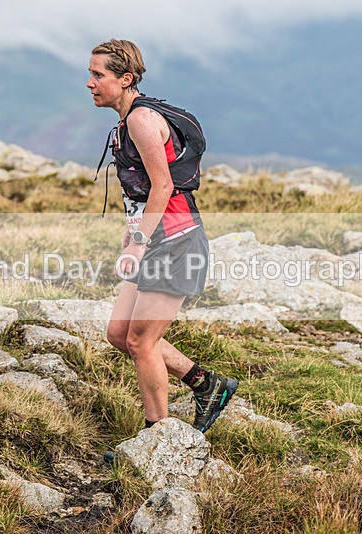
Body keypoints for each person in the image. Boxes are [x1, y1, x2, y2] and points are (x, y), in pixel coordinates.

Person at [87, 38, 237, 434]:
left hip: (176, 242)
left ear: (125, 78)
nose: (90, 82)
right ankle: (208, 384)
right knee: (119, 334)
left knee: (141, 343)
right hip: (156, 239)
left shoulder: (139, 120)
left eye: (98, 74)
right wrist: (132, 233)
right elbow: (140, 193)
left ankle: (159, 438)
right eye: (90, 73)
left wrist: (138, 244)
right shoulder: (126, 121)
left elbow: (163, 186)